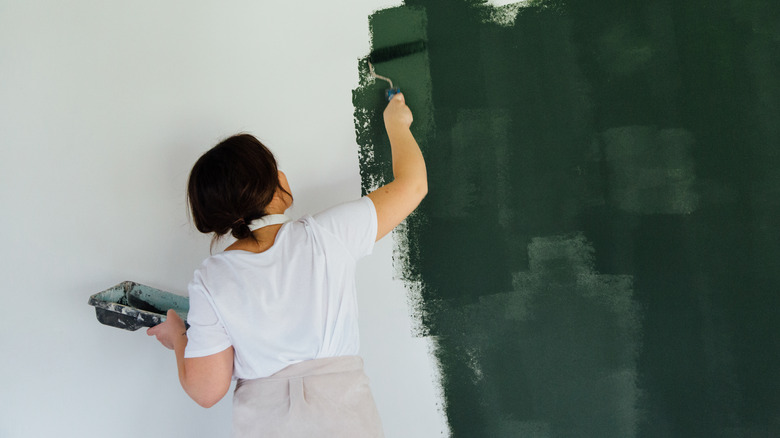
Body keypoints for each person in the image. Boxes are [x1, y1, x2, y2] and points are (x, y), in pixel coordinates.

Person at [147, 93, 427, 437]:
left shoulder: (212, 279)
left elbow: (207, 391)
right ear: (278, 185)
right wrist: (396, 123)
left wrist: (178, 336)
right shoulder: (329, 234)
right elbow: (413, 185)